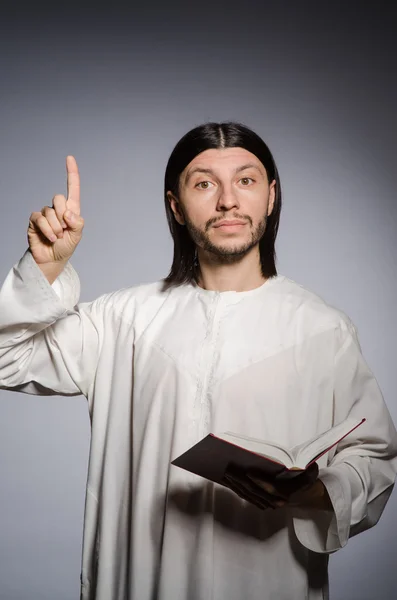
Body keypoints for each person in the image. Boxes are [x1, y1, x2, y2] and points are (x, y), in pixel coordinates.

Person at [0, 121, 396, 600]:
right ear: (176, 207)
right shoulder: (122, 319)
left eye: (245, 181)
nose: (228, 200)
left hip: (268, 582)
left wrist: (315, 492)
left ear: (270, 197)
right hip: (139, 582)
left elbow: (373, 456)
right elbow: (7, 356)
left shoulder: (322, 329)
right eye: (204, 183)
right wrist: (44, 268)